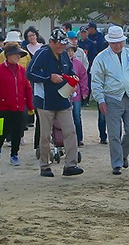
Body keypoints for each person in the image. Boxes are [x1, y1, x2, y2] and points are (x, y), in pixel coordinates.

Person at [90, 25, 129, 175]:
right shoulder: (101, 58)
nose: (117, 45)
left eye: (119, 42)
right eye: (114, 42)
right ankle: (117, 163)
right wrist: (100, 99)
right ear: (109, 42)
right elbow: (96, 81)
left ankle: (122, 155)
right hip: (111, 97)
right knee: (114, 133)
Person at [26, 29, 84, 178]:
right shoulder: (42, 53)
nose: (61, 47)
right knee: (45, 135)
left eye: (63, 44)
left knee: (70, 131)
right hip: (45, 101)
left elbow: (71, 71)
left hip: (63, 98)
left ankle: (71, 164)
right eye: (58, 44)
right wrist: (48, 77)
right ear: (51, 42)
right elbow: (30, 73)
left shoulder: (64, 54)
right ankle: (44, 166)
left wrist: (73, 83)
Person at [0, 42, 34, 166]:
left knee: (17, 132)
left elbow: (27, 89)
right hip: (3, 106)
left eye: (19, 55)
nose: (18, 57)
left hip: (19, 106)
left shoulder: (22, 70)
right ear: (8, 55)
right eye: (15, 54)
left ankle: (14, 154)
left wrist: (30, 106)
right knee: (3, 130)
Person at [66, 45, 89, 146]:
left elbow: (83, 77)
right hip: (65, 93)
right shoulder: (62, 63)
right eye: (68, 51)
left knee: (77, 116)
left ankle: (79, 138)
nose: (70, 53)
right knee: (66, 117)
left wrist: (84, 91)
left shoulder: (78, 64)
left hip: (76, 94)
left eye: (72, 51)